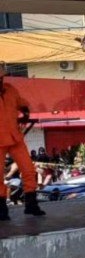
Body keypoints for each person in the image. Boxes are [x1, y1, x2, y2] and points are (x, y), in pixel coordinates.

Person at [0, 63, 45, 219]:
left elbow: (21, 103)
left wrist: (25, 111)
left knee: (28, 170)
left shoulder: (10, 89)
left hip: (15, 137)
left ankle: (31, 204)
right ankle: (1, 209)